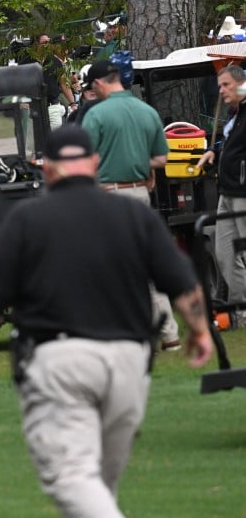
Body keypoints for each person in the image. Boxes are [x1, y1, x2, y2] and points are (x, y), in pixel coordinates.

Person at [0, 124, 213, 518]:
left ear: (48, 168)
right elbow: (182, 284)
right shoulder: (133, 215)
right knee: (98, 485)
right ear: (94, 163)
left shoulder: (27, 219)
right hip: (130, 362)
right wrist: (199, 331)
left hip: (61, 360)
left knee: (73, 478)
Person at [82, 59, 182, 350]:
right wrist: (139, 163)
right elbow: (162, 159)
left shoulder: (96, 115)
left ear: (99, 83)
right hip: (140, 195)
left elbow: (85, 160)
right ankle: (170, 334)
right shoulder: (146, 111)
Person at [196, 65, 246, 327]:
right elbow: (232, 144)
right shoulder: (234, 115)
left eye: (226, 85)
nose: (221, 91)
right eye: (219, 86)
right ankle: (241, 313)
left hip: (243, 192)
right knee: (225, 253)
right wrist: (215, 153)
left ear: (241, 84)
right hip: (226, 191)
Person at [39, 34, 77, 128]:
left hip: (53, 105)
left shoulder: (59, 61)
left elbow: (64, 84)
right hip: (46, 106)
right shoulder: (50, 60)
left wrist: (72, 104)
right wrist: (72, 104)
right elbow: (64, 84)